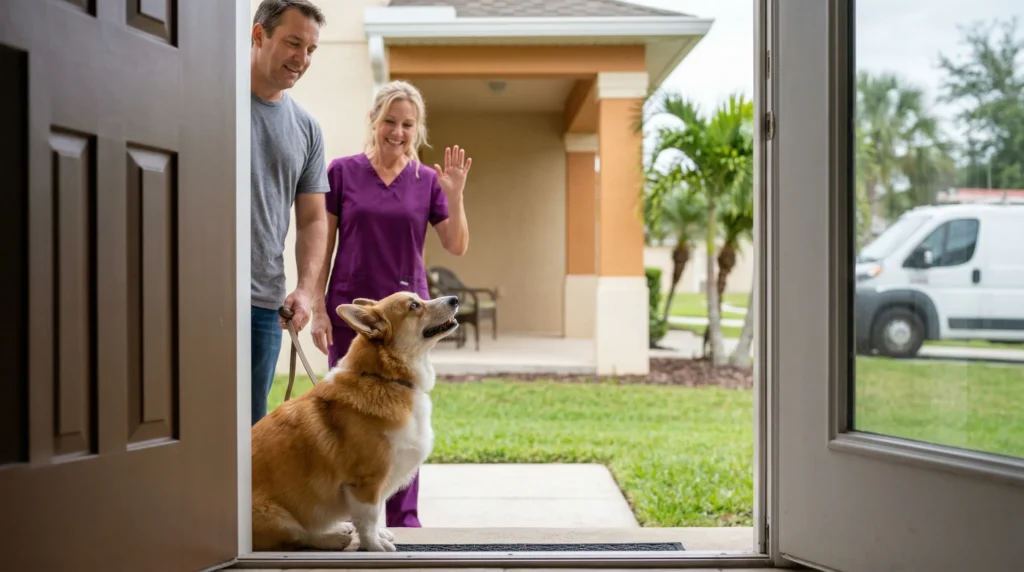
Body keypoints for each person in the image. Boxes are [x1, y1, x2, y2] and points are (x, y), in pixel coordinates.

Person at [310, 80, 472, 527]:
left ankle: (403, 522)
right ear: (374, 120)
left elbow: (455, 244)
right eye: (390, 121)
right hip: (355, 315)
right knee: (348, 417)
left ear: (416, 130)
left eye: (407, 124)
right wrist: (319, 305)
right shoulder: (341, 172)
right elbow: (323, 245)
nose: (397, 132)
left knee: (405, 415)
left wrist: (455, 195)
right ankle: (348, 517)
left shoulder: (426, 182)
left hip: (411, 324)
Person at [249, 0, 329, 425]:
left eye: (311, 49)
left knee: (249, 431)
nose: (302, 58)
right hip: (196, 297)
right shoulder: (211, 102)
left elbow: (314, 218)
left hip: (263, 305)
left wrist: (304, 288)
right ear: (259, 36)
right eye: (293, 43)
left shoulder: (306, 128)